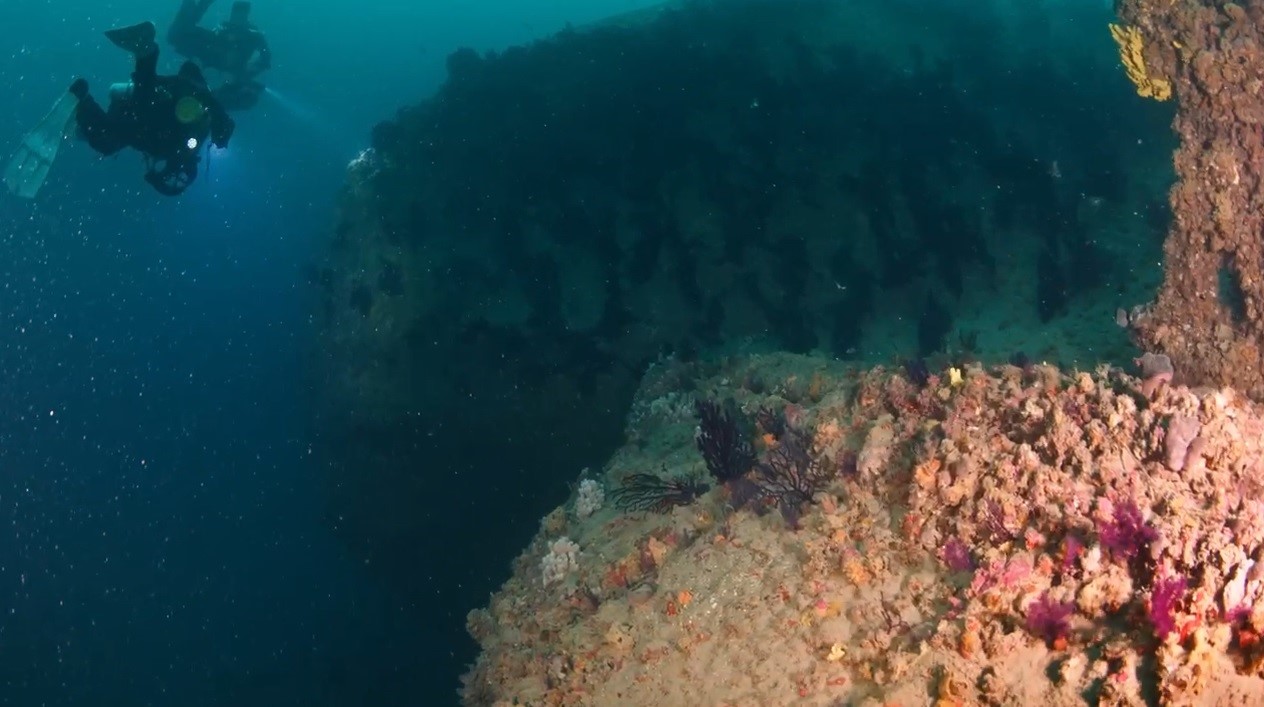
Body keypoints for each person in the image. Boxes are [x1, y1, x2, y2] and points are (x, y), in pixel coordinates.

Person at [71, 21, 235, 196]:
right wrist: (220, 119)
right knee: (121, 128)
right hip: (147, 114)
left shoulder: (173, 143)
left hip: (140, 116)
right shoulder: (191, 130)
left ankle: (84, 102)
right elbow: (200, 96)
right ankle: (84, 102)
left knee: (112, 136)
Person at [168, 0, 272, 111]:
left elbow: (265, 59)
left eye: (241, 14)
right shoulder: (219, 35)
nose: (237, 18)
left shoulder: (253, 37)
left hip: (229, 78)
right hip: (211, 68)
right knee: (176, 35)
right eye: (236, 14)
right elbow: (178, 35)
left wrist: (243, 74)